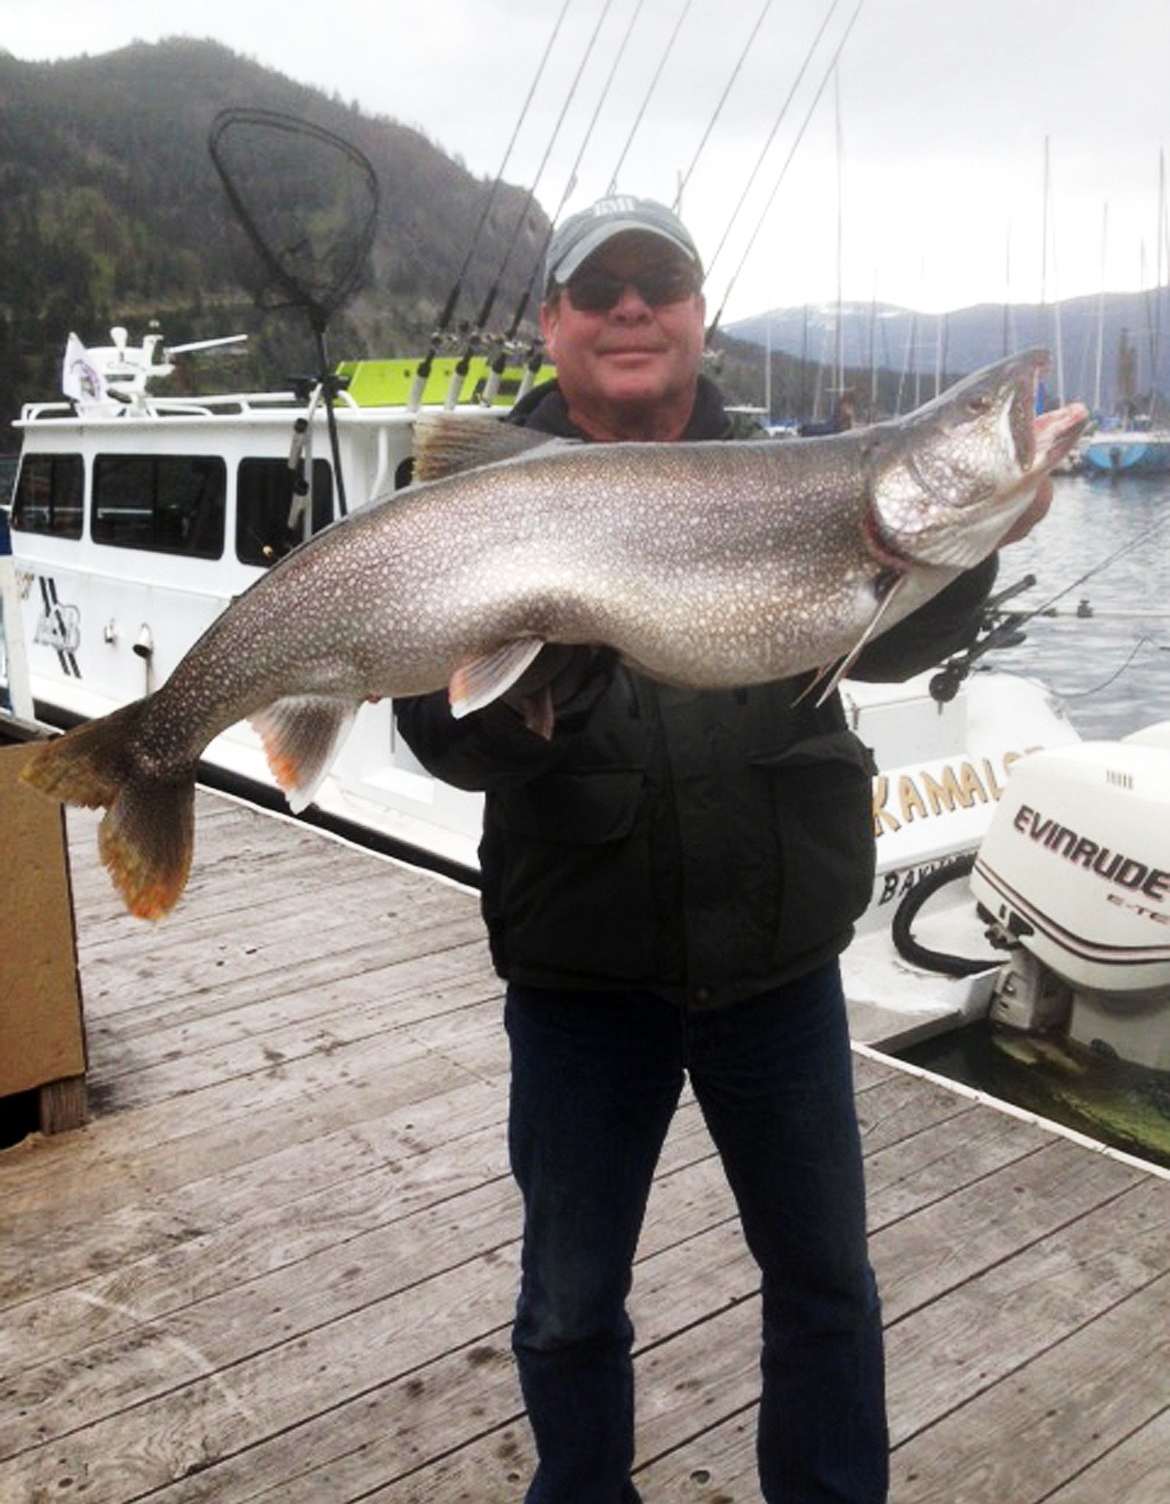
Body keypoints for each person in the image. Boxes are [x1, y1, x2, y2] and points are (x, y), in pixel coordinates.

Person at [393, 195, 1043, 1503]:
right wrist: (536, 716)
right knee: (570, 1300)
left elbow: (893, 634)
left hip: (774, 967)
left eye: (661, 281)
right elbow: (440, 734)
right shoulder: (475, 489)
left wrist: (976, 539)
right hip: (581, 976)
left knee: (823, 1283)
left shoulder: (801, 480)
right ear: (555, 321)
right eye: (601, 287)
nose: (631, 306)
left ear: (698, 313)